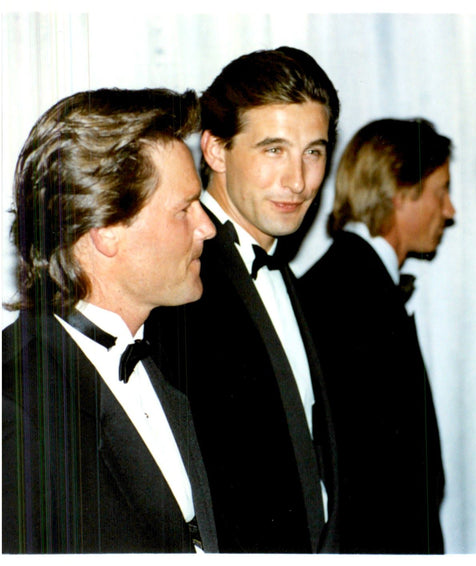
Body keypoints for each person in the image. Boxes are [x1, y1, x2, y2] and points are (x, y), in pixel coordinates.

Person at [2, 88, 219, 553]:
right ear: (105, 232)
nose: (207, 227)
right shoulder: (16, 402)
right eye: (184, 209)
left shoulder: (165, 362)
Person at [145, 47, 340, 553]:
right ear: (214, 151)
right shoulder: (178, 277)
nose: (297, 181)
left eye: (313, 152)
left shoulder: (284, 272)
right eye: (273, 150)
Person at [299, 118, 455, 554]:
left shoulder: (350, 281)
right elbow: (368, 479)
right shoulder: (349, 293)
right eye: (441, 190)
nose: (450, 211)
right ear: (400, 192)